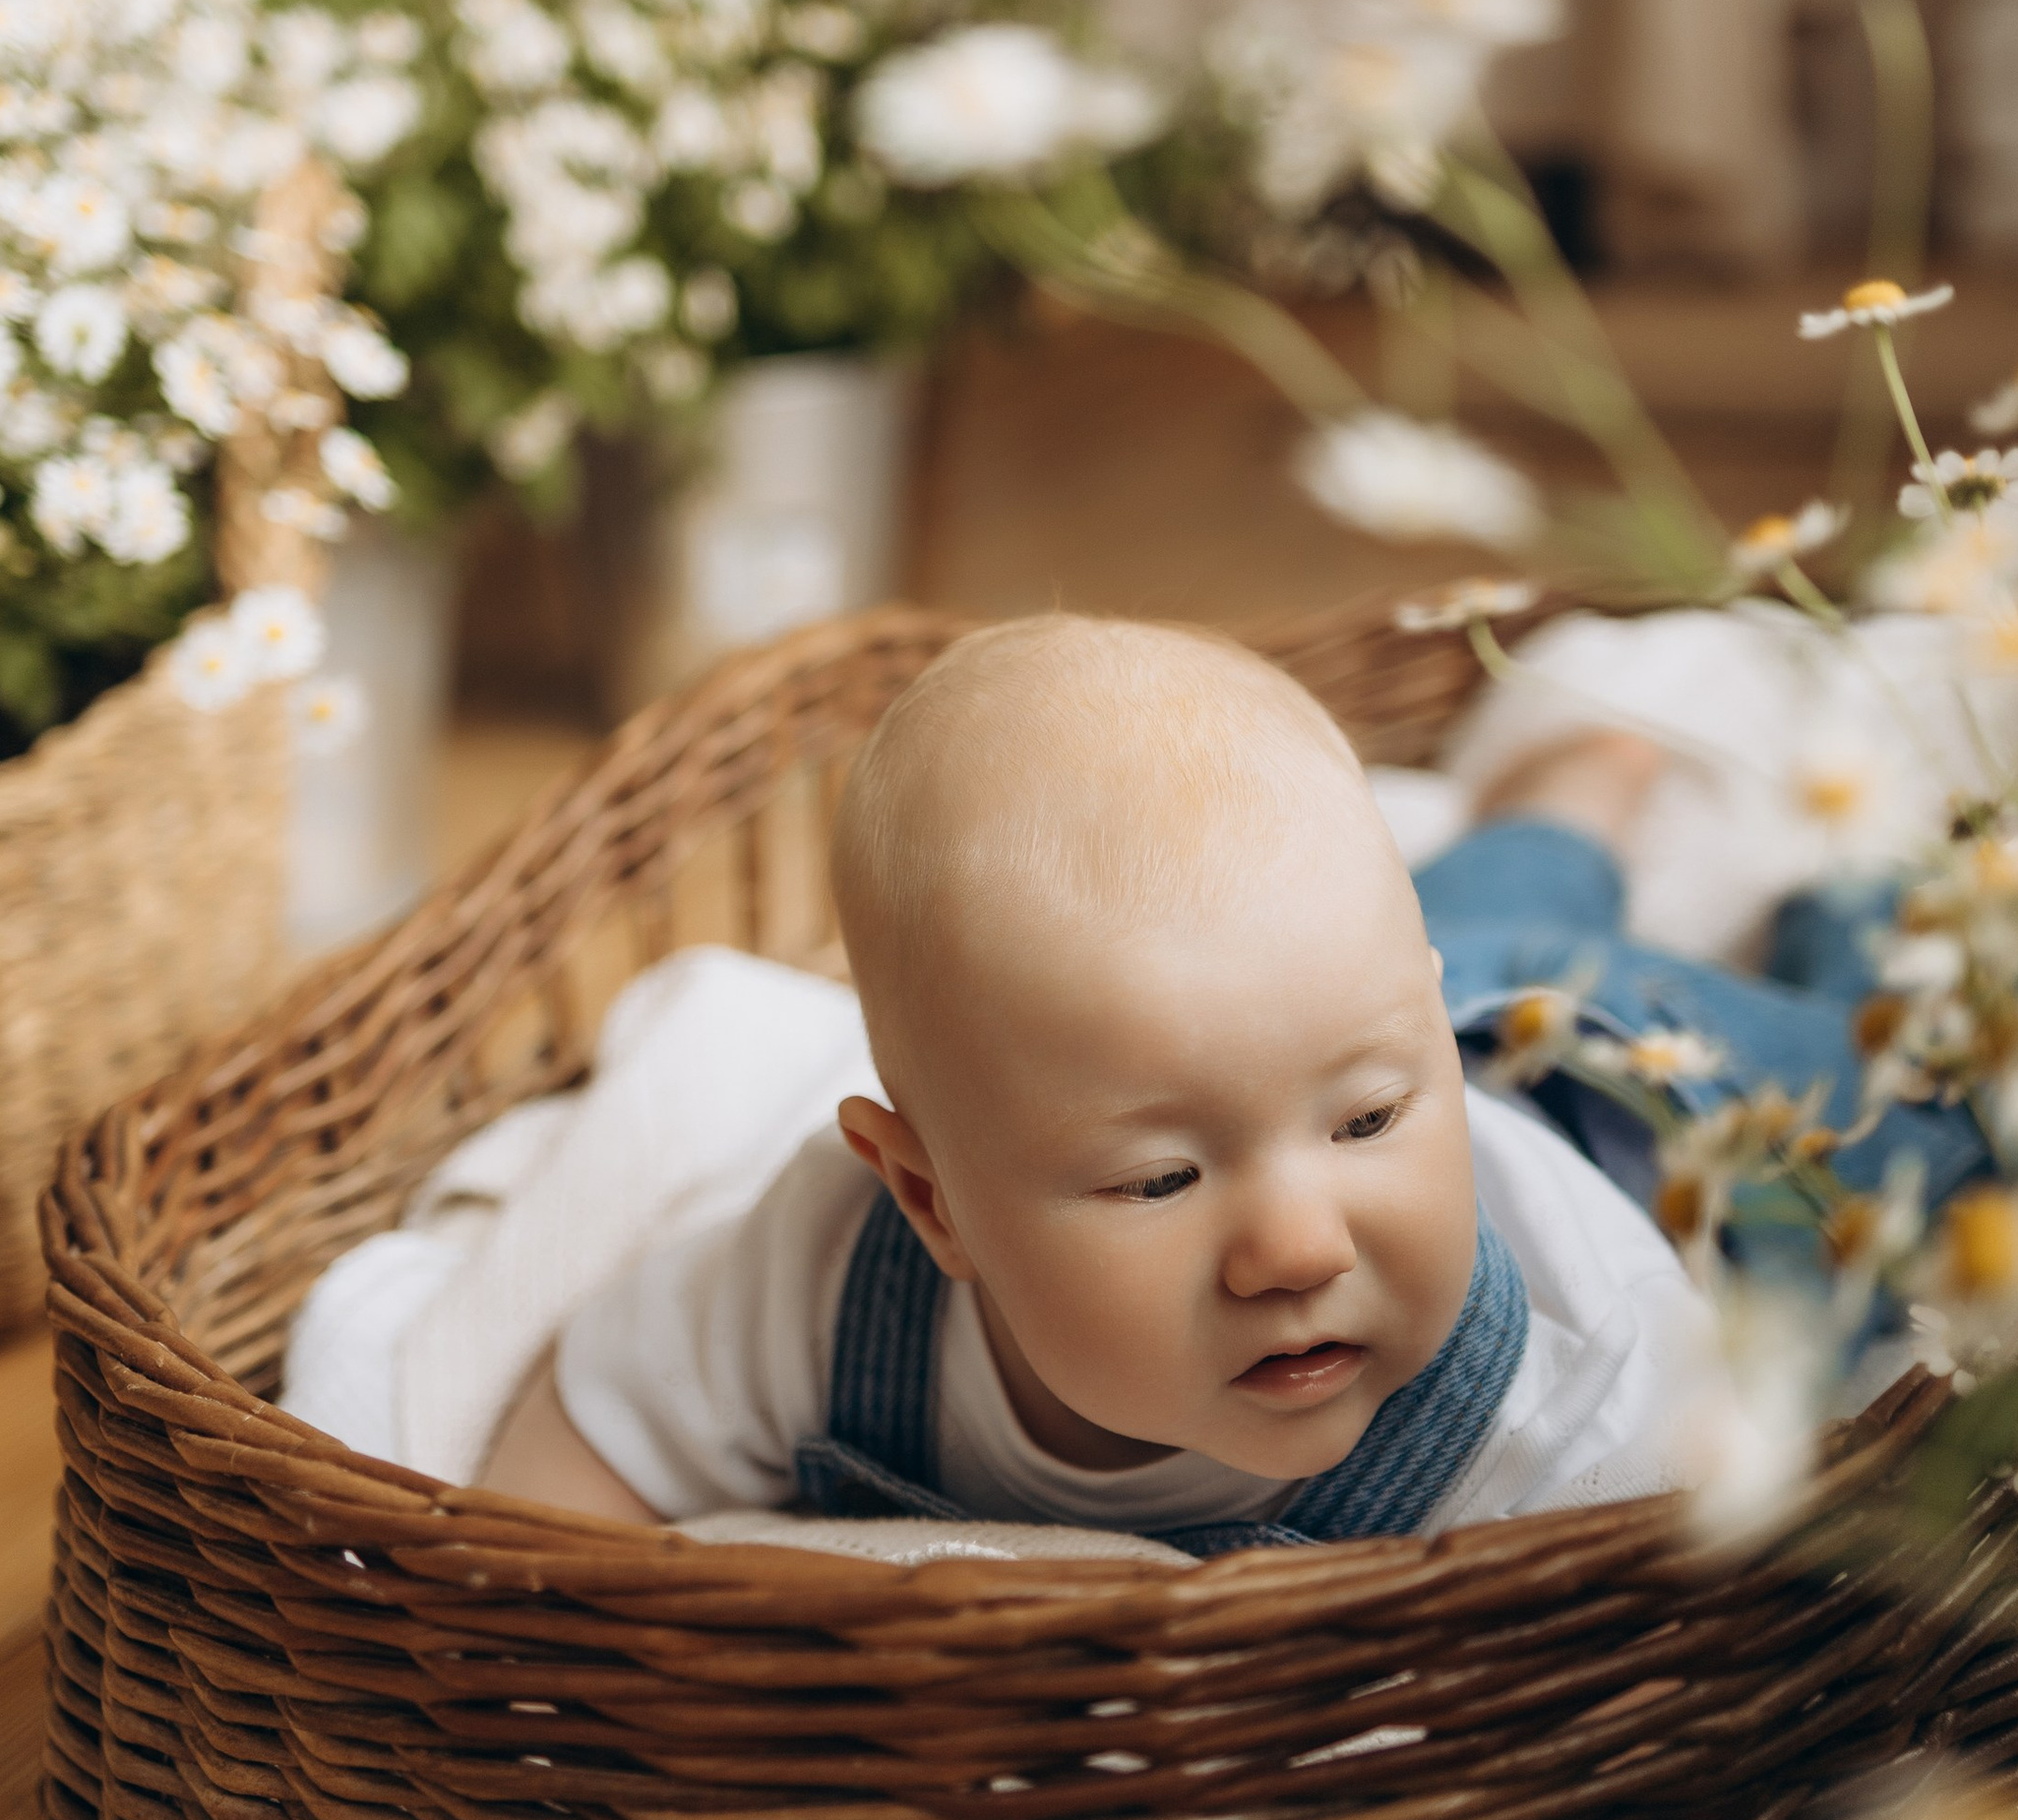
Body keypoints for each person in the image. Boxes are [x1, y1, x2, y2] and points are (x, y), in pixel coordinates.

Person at [478, 612, 1751, 1552]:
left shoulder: (1594, 1390)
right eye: (1162, 1179)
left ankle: (1576, 805)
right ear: (933, 1200)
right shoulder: (823, 1280)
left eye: (1369, 1124)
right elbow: (590, 1437)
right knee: (1472, 931)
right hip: (1376, 1005)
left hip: (1606, 1083)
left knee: (1825, 1077)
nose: (1298, 1247)